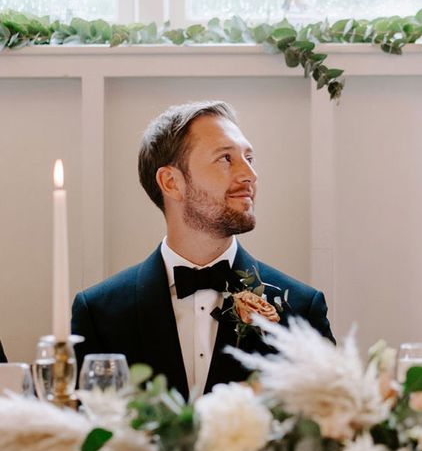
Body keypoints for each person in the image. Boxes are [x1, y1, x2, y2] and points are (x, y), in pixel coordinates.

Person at [72, 101, 334, 399]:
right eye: (225, 158)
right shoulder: (99, 313)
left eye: (249, 158)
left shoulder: (300, 309)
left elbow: (332, 429)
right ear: (171, 182)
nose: (250, 174)